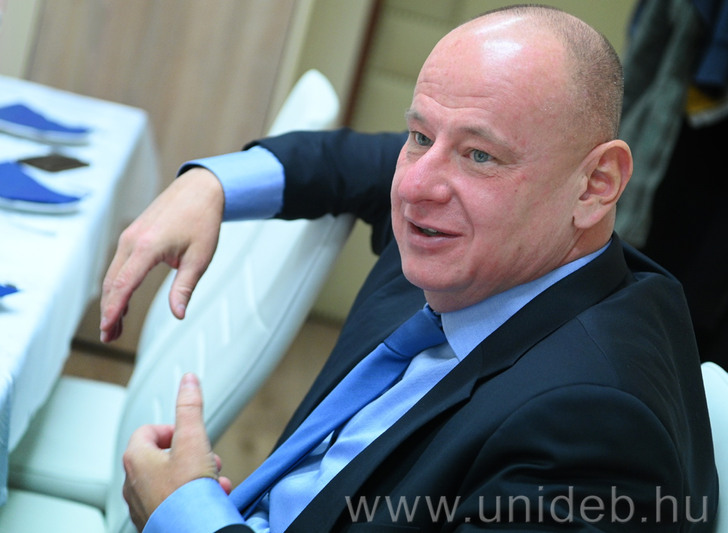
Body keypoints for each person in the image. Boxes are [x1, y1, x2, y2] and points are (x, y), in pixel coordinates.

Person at [103, 5, 717, 532]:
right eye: (420, 136)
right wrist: (212, 185)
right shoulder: (492, 248)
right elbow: (358, 161)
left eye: (480, 155)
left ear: (596, 184)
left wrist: (183, 514)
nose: (415, 186)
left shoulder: (591, 433)